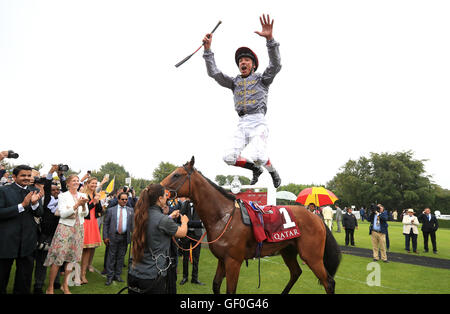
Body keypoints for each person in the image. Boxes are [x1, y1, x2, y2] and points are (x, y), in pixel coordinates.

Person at [202, 14, 282, 188]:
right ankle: (255, 169)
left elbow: (276, 65)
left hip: (258, 121)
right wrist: (208, 51)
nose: (242, 62)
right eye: (240, 61)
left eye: (246, 60)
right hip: (242, 123)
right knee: (228, 158)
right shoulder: (234, 82)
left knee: (260, 156)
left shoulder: (262, 79)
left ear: (253, 65)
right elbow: (214, 73)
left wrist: (270, 39)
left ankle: (272, 171)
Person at [128, 184, 189, 294]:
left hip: (134, 273)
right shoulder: (162, 220)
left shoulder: (138, 216)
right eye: (165, 195)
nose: (167, 197)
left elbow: (154, 223)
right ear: (160, 199)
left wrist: (169, 217)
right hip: (152, 277)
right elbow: (182, 233)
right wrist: (184, 221)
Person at [0, 165, 44, 294]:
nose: (26, 178)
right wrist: (22, 205)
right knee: (2, 276)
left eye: (29, 175)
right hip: (7, 241)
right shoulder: (3, 191)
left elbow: (40, 213)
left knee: (25, 278)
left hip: (28, 240)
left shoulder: (34, 190)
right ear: (14, 177)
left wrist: (35, 204)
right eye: (23, 175)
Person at [44, 174, 89, 294]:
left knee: (71, 259)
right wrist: (76, 205)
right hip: (65, 229)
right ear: (68, 183)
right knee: (58, 258)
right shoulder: (62, 196)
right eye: (73, 181)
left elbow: (85, 214)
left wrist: (83, 205)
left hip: (78, 229)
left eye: (77, 180)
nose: (76, 182)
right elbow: (63, 214)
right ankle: (50, 287)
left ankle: (65, 285)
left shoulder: (83, 195)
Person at [33, 164, 67, 294]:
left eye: (57, 190)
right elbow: (47, 186)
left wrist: (61, 176)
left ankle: (57, 282)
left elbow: (65, 188)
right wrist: (50, 172)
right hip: (45, 234)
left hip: (57, 233)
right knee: (42, 261)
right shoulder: (47, 199)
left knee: (57, 259)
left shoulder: (62, 200)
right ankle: (38, 284)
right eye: (53, 190)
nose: (56, 192)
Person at [103, 192, 134, 286]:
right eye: (123, 199)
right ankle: (110, 277)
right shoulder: (111, 210)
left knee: (121, 257)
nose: (125, 201)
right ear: (118, 199)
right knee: (111, 257)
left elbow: (133, 225)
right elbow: (106, 224)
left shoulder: (131, 210)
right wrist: (105, 237)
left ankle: (118, 275)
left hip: (125, 237)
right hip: (113, 236)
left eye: (126, 199)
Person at [80, 177, 103, 284]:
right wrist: (93, 201)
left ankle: (83, 274)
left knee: (88, 250)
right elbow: (84, 211)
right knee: (79, 250)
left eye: (95, 183)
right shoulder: (83, 195)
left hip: (93, 223)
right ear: (87, 184)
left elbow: (99, 211)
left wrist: (98, 202)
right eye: (92, 183)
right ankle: (73, 273)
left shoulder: (96, 195)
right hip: (84, 223)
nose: (94, 185)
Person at [179, 198, 205, 286]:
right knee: (185, 257)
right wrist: (196, 223)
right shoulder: (184, 204)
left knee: (196, 258)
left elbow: (203, 219)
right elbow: (181, 218)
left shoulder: (200, 203)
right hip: (186, 234)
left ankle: (195, 278)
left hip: (196, 234)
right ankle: (185, 277)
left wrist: (190, 223)